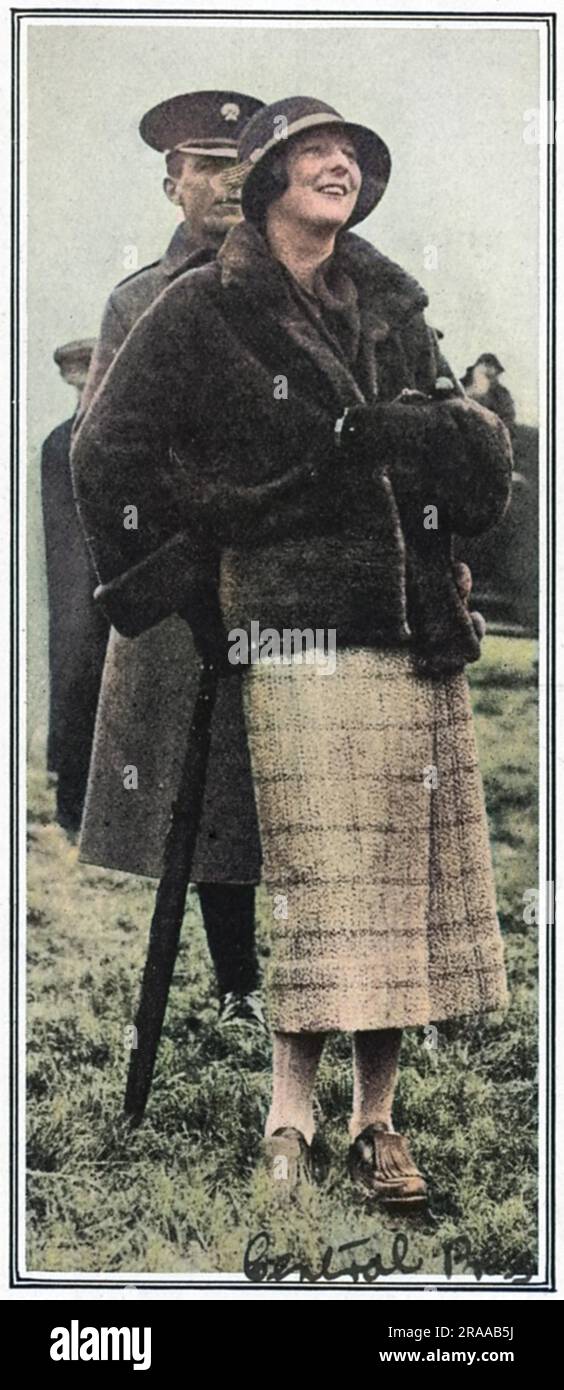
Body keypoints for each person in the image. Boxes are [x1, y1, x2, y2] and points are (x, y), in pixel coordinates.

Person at [72, 96, 512, 1205]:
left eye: (354, 158)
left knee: (396, 888)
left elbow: (478, 463)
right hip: (297, 627)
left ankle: (377, 1125)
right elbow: (106, 452)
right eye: (314, 154)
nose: (339, 168)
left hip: (416, 626)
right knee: (322, 880)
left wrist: (443, 436)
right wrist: (195, 554)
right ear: (267, 180)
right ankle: (287, 1120)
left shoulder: (393, 302)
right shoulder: (200, 311)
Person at [75, 90, 266, 1026]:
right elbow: (105, 454)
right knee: (207, 788)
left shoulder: (299, 286)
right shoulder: (138, 301)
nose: (229, 178)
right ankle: (238, 983)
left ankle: (322, 982)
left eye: (243, 160)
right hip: (185, 579)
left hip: (287, 575)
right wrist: (163, 568)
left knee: (295, 775)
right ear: (172, 182)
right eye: (206, 162)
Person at [41, 339, 109, 833]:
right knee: (77, 682)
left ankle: (89, 807)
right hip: (80, 588)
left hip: (104, 585)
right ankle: (72, 807)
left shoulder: (108, 435)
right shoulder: (62, 442)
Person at [461, 353, 516, 434]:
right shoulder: (460, 385)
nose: (497, 375)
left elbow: (508, 420)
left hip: (489, 436)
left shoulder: (501, 394)